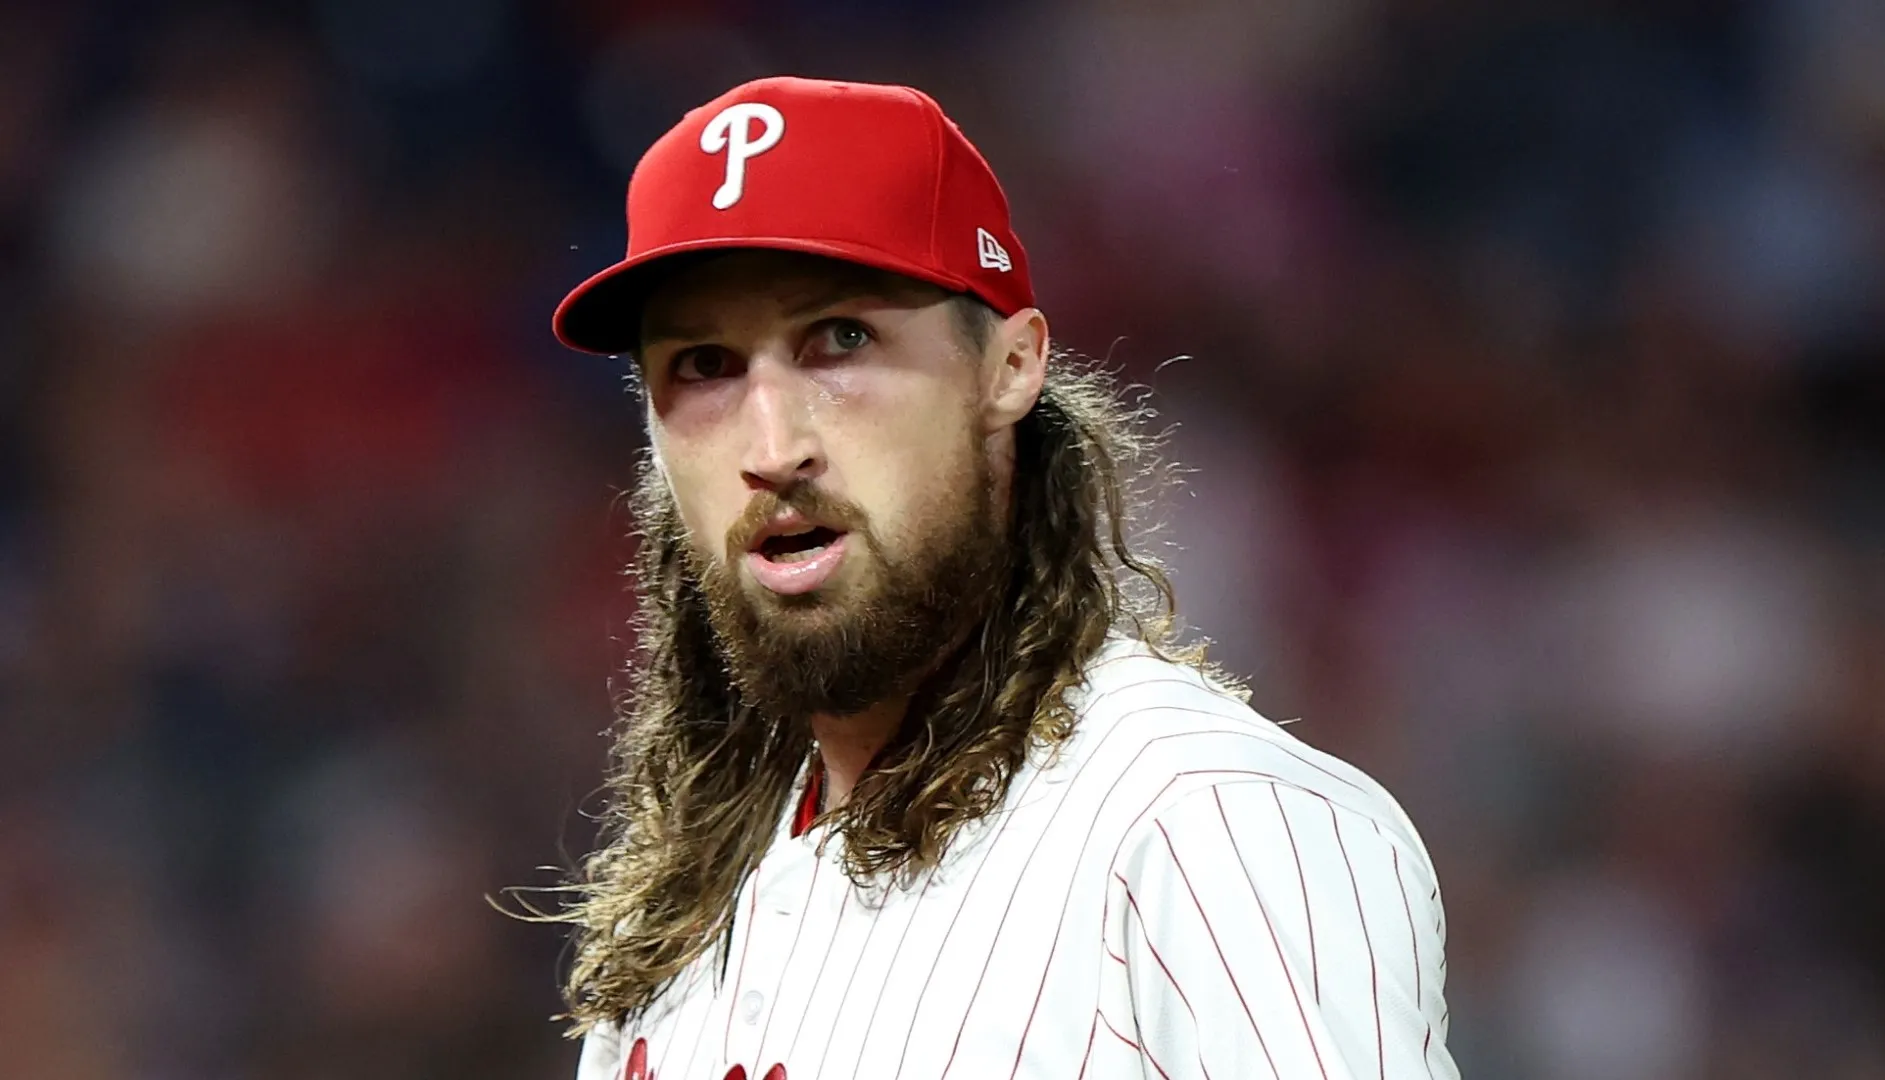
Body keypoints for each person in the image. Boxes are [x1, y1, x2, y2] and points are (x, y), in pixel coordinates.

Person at [547, 75, 1456, 1080]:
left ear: (1011, 367)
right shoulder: (684, 910)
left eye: (842, 339)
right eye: (705, 365)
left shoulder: (1204, 826)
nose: (773, 445)